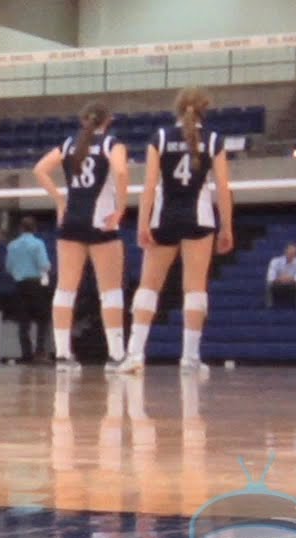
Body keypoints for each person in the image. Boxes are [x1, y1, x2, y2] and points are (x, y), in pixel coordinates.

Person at [118, 87, 234, 376]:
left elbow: (149, 186)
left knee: (148, 286)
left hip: (164, 217)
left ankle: (134, 355)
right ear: (205, 109)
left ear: (178, 108)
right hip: (199, 219)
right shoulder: (214, 140)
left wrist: (142, 224)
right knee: (194, 288)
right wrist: (227, 227)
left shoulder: (159, 137)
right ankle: (190, 358)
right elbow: (223, 188)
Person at [34, 101, 131, 373]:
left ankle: (63, 356)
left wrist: (59, 200)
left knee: (65, 290)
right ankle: (116, 356)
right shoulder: (112, 144)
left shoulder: (68, 145)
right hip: (101, 223)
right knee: (110, 291)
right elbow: (121, 171)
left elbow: (39, 169)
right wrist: (121, 208)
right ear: (108, 120)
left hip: (71, 221)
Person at [4, 217, 52, 363]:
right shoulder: (38, 244)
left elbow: (8, 267)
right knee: (43, 319)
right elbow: (44, 265)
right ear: (34, 229)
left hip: (19, 285)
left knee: (23, 321)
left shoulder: (12, 245)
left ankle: (27, 354)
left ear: (20, 228)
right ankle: (40, 352)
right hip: (36, 284)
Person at [265, 243, 296, 309]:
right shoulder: (275, 261)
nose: (291, 255)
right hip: (278, 283)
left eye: (293, 253)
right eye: (290, 252)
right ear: (285, 252)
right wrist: (280, 279)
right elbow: (270, 277)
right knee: (269, 284)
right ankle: (269, 306)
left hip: (292, 284)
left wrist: (289, 279)